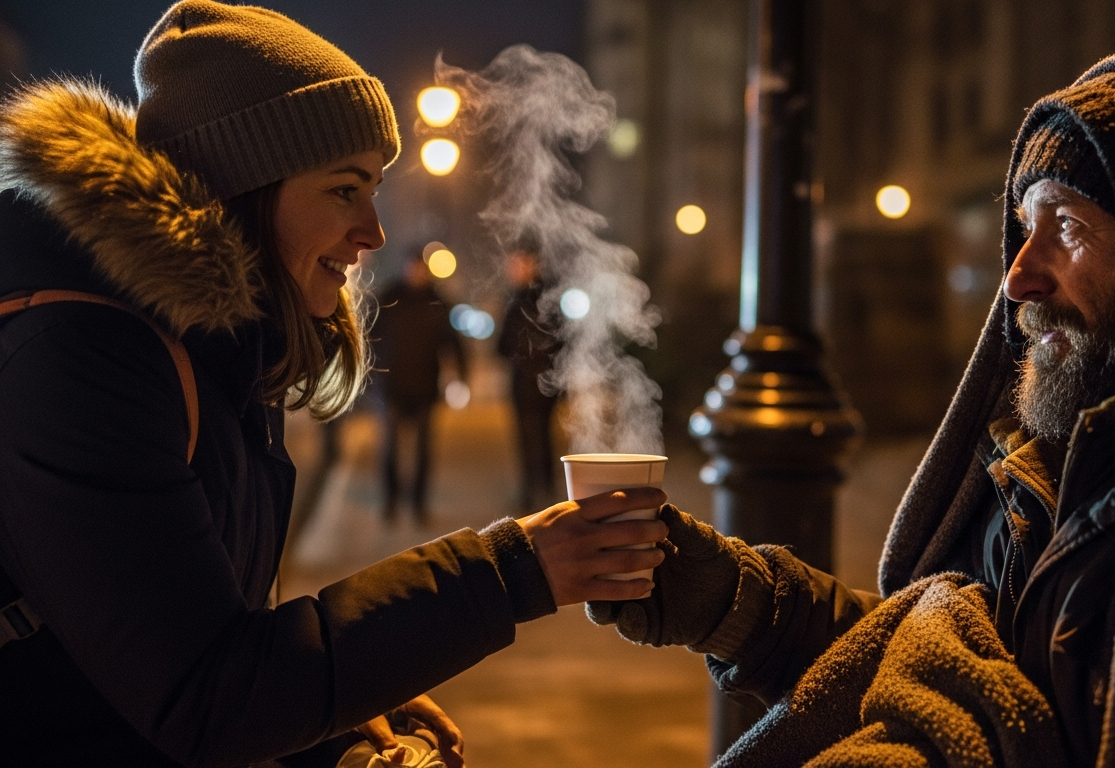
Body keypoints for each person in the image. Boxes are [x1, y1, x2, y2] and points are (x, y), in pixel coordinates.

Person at [589, 52, 1115, 766]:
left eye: (1069, 226)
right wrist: (729, 599)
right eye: (1024, 226)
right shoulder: (1045, 459)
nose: (1019, 276)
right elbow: (941, 673)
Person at [0, 2, 667, 766]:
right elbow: (208, 697)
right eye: (344, 189)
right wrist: (515, 571)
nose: (373, 232)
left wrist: (329, 713)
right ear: (245, 187)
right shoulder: (82, 360)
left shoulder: (218, 351)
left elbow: (192, 653)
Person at [371, 254, 468, 524]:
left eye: (419, 270)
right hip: (391, 388)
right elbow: (369, 338)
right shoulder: (387, 299)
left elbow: (453, 343)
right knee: (389, 448)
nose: (415, 274)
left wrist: (460, 376)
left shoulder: (437, 302)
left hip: (425, 388)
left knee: (423, 450)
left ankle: (418, 505)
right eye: (412, 268)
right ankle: (390, 502)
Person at [496, 250, 560, 512]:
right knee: (539, 437)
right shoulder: (548, 299)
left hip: (530, 384)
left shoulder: (520, 303)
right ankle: (543, 490)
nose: (514, 270)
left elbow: (502, 347)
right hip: (539, 384)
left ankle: (533, 493)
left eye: (519, 265)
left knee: (532, 439)